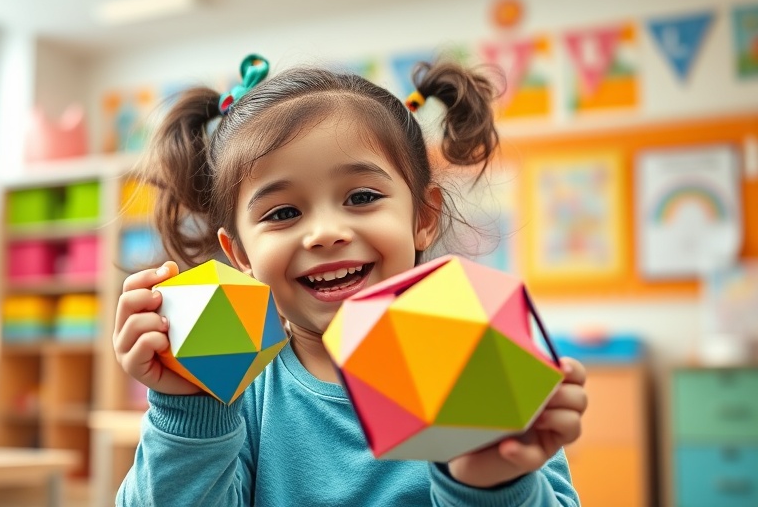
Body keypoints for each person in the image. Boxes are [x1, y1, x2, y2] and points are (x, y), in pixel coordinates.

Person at [113, 53, 587, 506]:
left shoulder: (474, 352)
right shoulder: (240, 388)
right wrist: (190, 407)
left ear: (423, 216)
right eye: (283, 213)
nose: (325, 234)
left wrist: (491, 483)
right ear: (241, 255)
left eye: (360, 197)